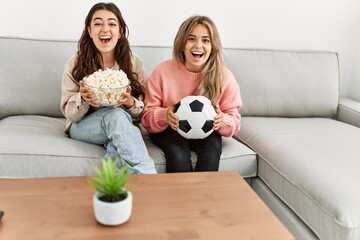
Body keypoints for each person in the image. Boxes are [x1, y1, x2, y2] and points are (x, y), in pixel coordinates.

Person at [60, 2, 156, 174]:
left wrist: (128, 102)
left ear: (120, 32)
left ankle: (113, 193)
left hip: (121, 127)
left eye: (112, 23)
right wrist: (83, 99)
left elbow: (143, 112)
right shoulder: (74, 64)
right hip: (83, 127)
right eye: (98, 23)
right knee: (116, 115)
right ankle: (147, 173)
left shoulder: (134, 62)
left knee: (117, 142)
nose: (105, 29)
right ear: (89, 31)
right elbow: (70, 115)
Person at [141, 15, 242, 173]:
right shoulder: (162, 71)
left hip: (207, 130)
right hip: (169, 129)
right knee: (177, 153)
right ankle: (180, 197)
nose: (198, 45)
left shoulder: (224, 76)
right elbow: (146, 117)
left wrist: (222, 120)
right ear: (181, 44)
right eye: (191, 39)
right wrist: (164, 115)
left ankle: (203, 196)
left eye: (206, 40)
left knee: (212, 151)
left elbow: (234, 120)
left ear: (213, 46)